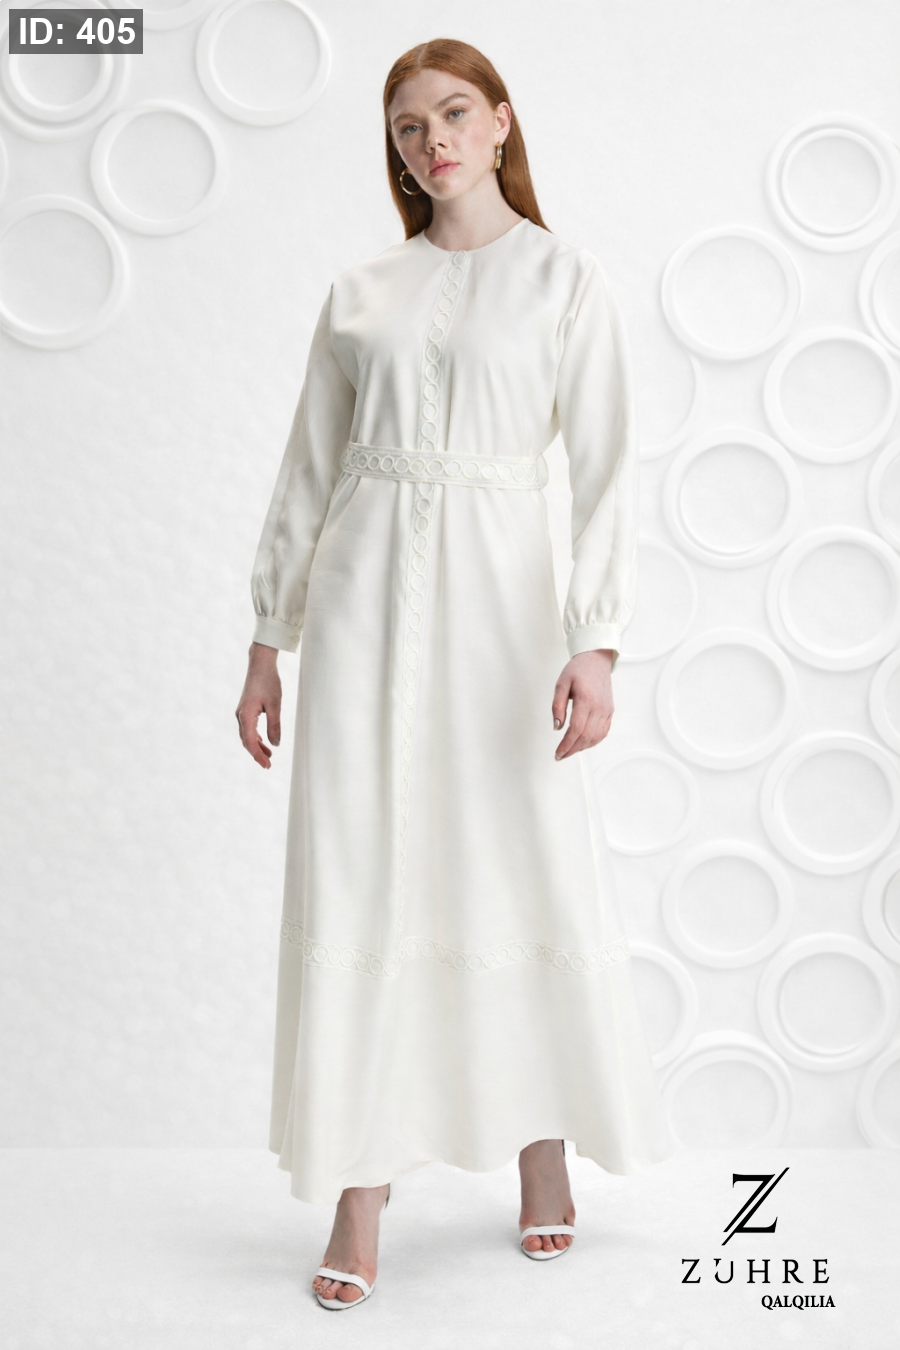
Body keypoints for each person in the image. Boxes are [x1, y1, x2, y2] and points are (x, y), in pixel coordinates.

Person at [235, 37, 672, 1310]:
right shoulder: (362, 291)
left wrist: (596, 639)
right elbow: (308, 470)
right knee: (365, 869)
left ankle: (542, 1150)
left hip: (502, 613)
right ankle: (359, 1189)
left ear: (500, 123)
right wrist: (268, 639)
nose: (432, 142)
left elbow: (606, 471)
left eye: (453, 114)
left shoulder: (563, 281)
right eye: (407, 127)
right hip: (363, 607)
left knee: (511, 858)